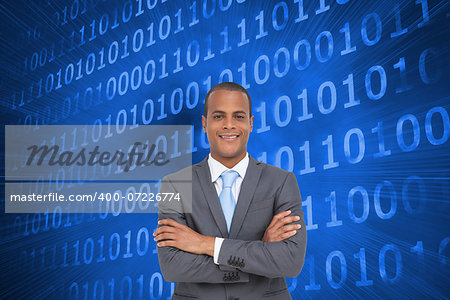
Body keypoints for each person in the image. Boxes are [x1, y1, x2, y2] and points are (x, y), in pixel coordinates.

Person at [154, 82, 307, 300]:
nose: (228, 125)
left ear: (251, 123)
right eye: (218, 117)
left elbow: (290, 261)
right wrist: (260, 251)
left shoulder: (282, 181)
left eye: (238, 116)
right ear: (204, 124)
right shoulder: (175, 184)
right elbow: (172, 267)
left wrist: (204, 244)